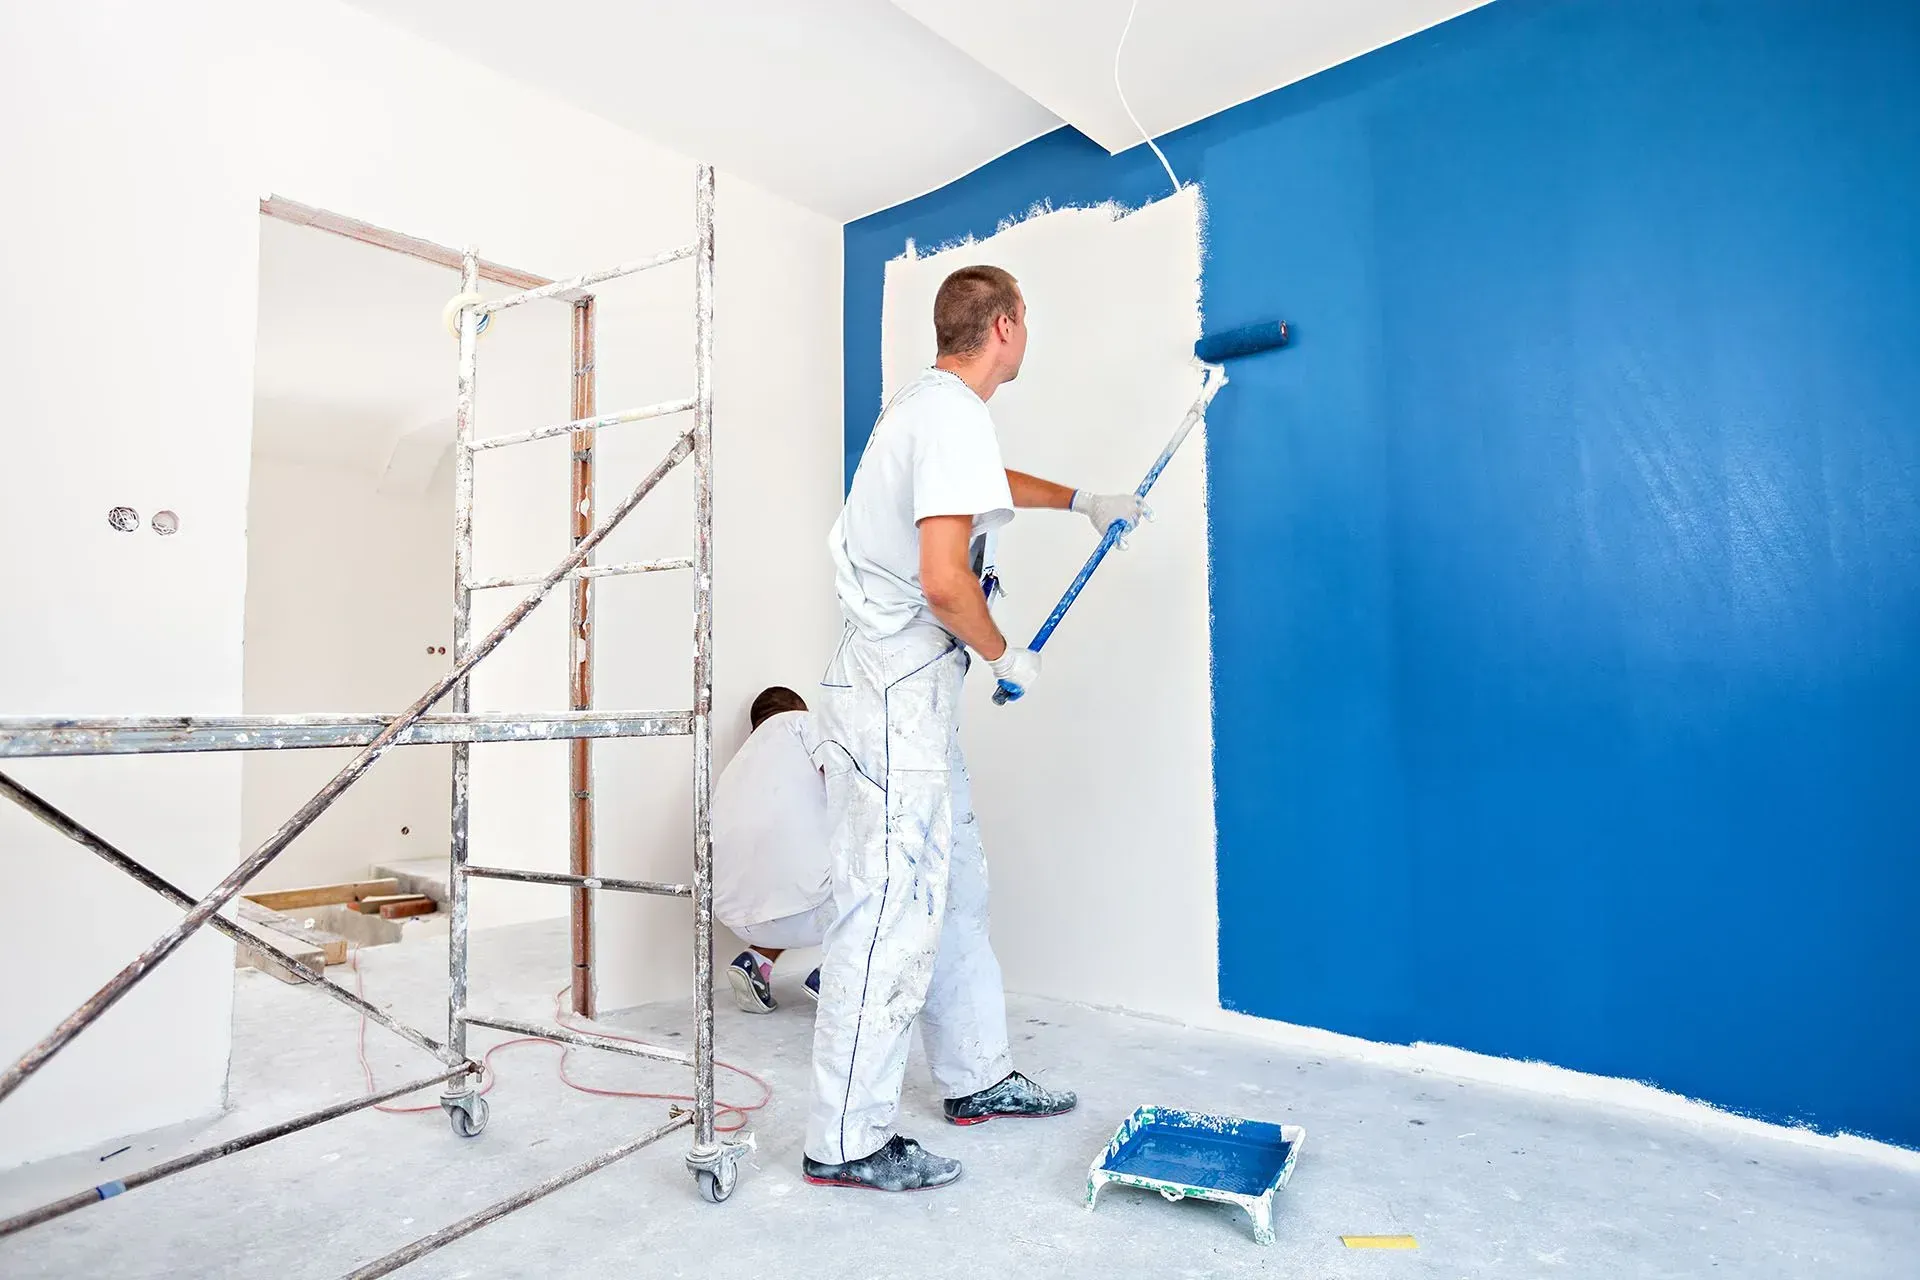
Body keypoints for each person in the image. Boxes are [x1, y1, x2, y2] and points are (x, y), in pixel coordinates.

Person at [802, 264, 1149, 1192]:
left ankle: (976, 1078)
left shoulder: (936, 409)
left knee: (951, 887)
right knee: (888, 909)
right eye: (1024, 320)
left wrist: (1081, 502)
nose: (1025, 332)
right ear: (1005, 324)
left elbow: (981, 486)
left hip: (909, 694)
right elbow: (945, 581)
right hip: (890, 698)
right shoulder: (949, 415)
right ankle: (845, 1141)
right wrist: (1006, 654)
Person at [712, 686, 833, 1014]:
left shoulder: (734, 766)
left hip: (737, 917)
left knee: (782, 882)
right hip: (807, 910)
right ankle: (840, 974)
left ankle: (755, 960)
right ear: (798, 707)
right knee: (887, 865)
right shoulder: (804, 723)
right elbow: (844, 782)